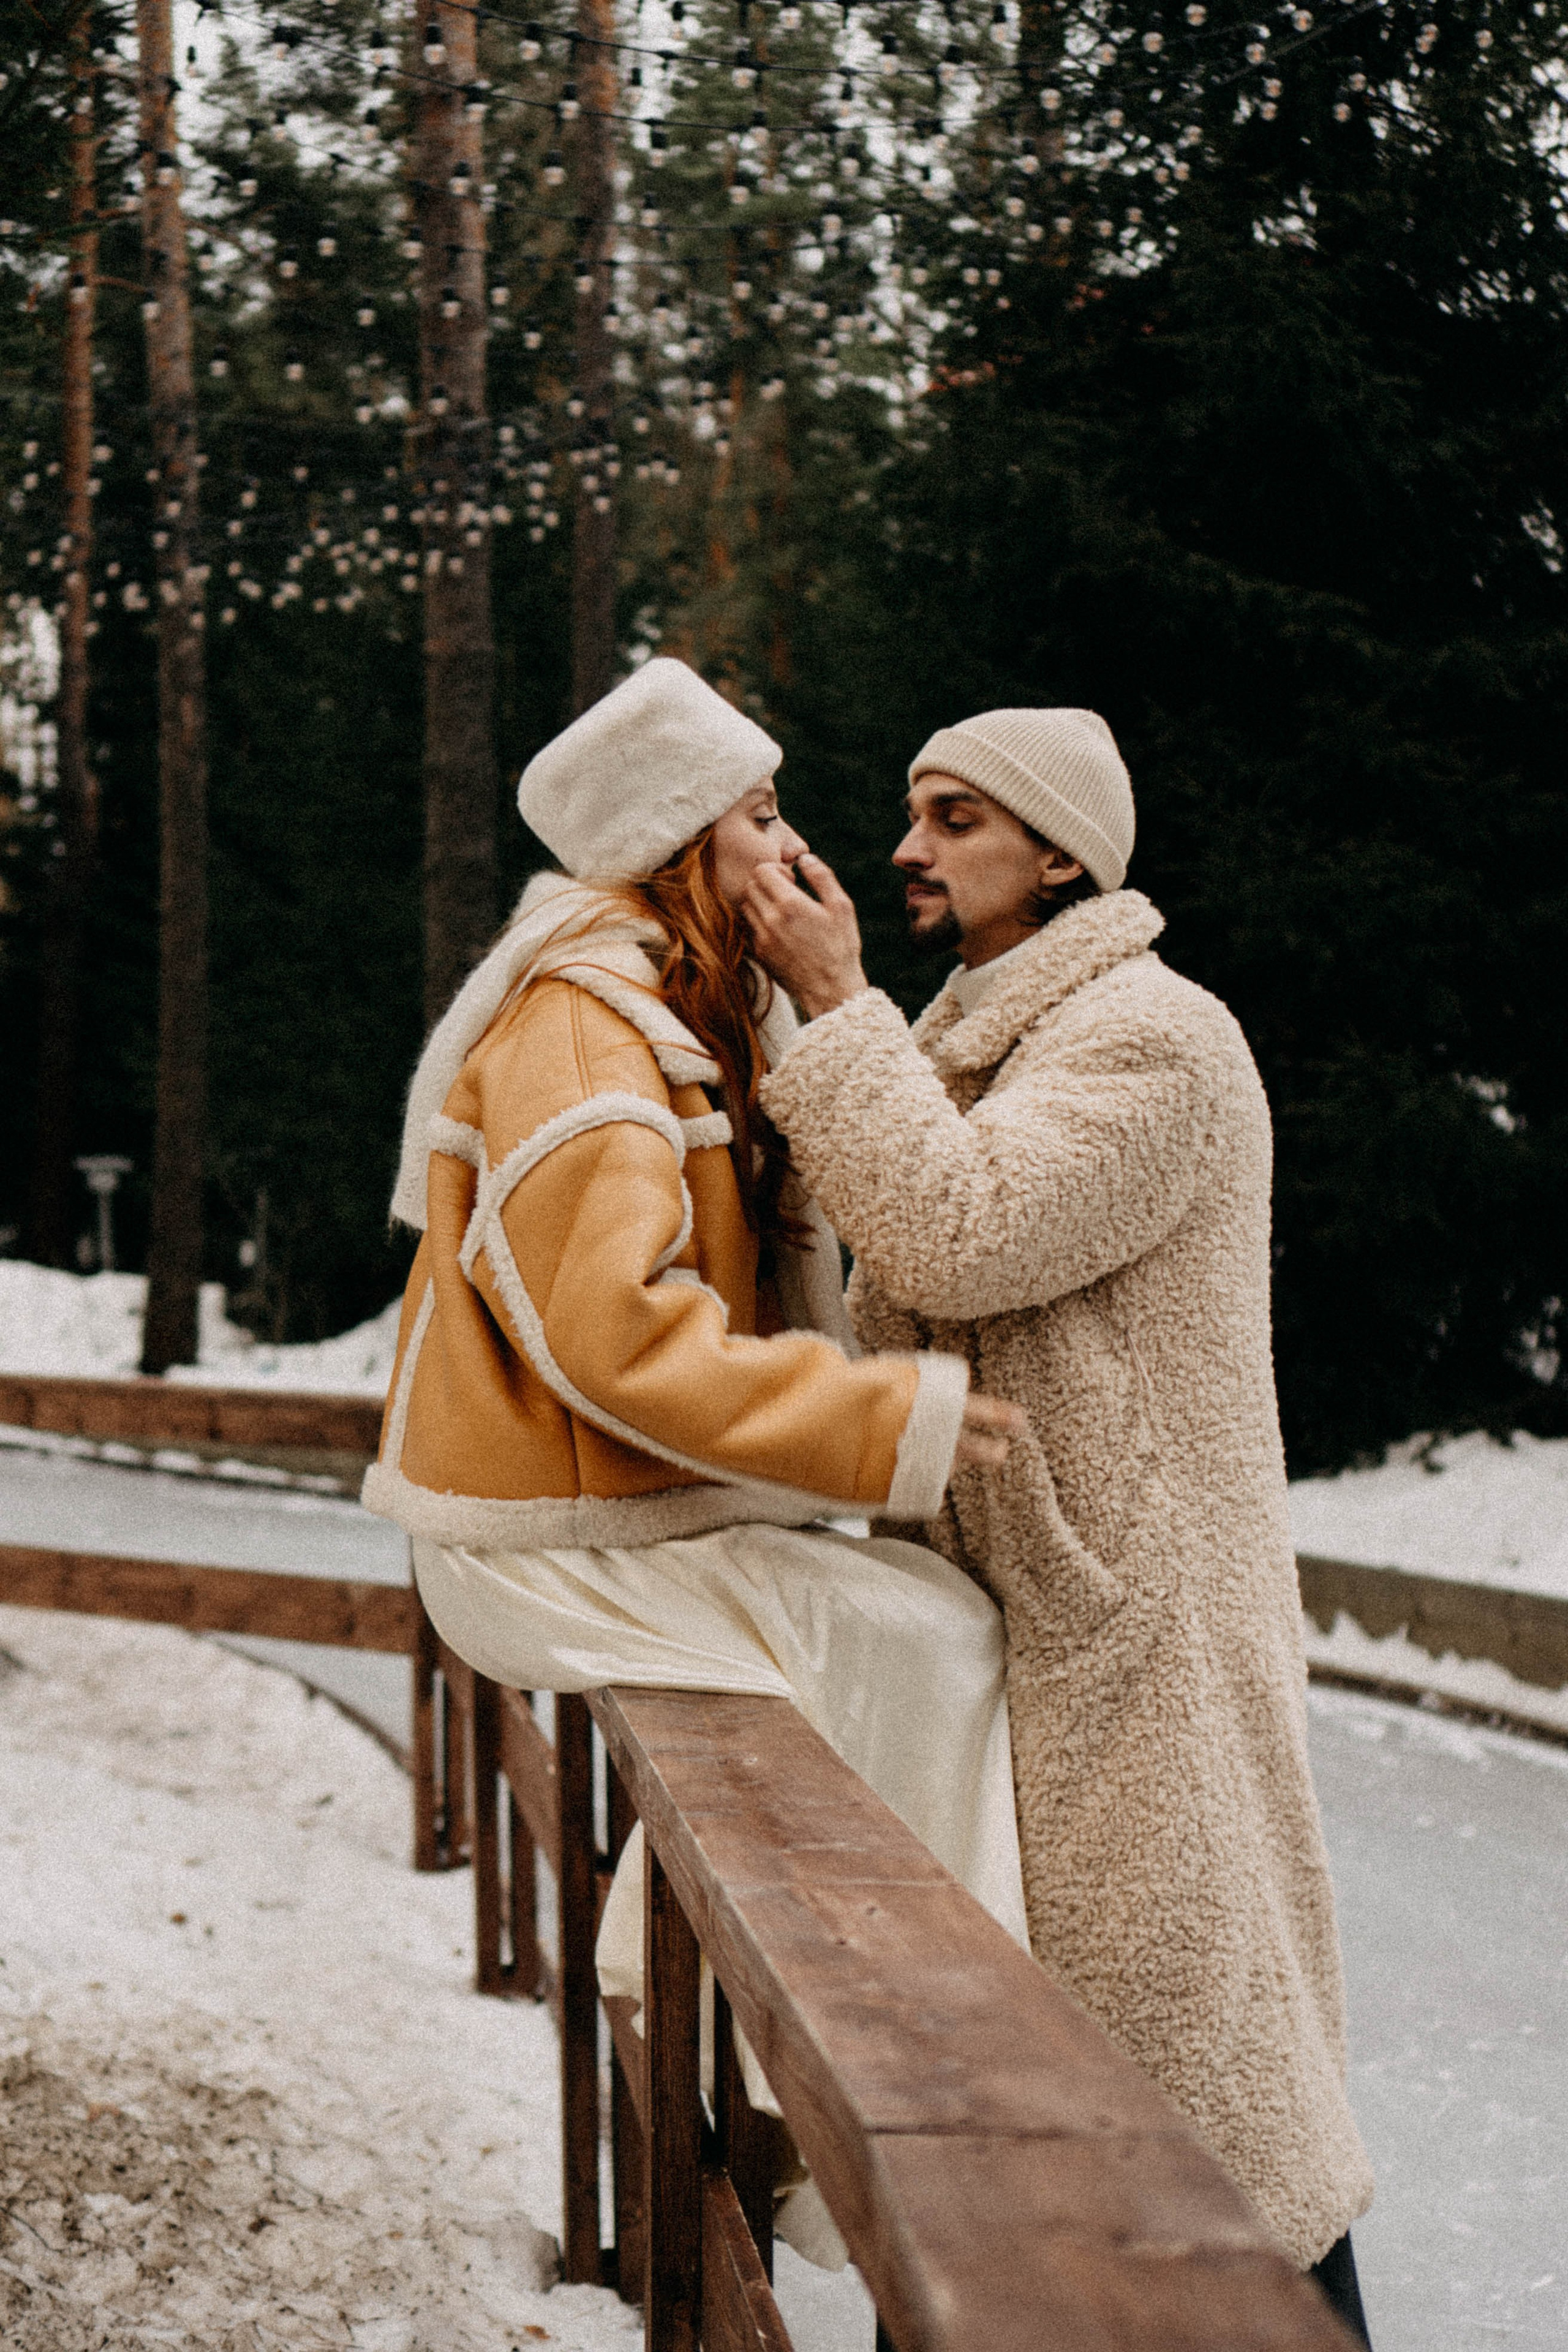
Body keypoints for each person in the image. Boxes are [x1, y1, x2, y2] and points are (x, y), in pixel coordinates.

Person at [361, 658, 1030, 2267]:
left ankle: (782, 2037)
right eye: (760, 811)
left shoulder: (665, 1007)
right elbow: (616, 1341)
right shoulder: (579, 1033)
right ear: (679, 841)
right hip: (531, 1542)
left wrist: (828, 997)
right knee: (924, 1639)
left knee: (918, 1625)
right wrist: (889, 1422)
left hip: (600, 1515)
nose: (793, 843)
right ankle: (828, 2072)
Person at [742, 705, 1376, 2342]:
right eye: (910, 816)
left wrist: (829, 1000)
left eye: (953, 819)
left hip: (1133, 1663)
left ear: (1061, 852)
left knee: (1200, 2142)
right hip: (1029, 1654)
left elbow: (959, 1232)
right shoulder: (990, 1045)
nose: (905, 851)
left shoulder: (1153, 1038)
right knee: (1034, 2136)